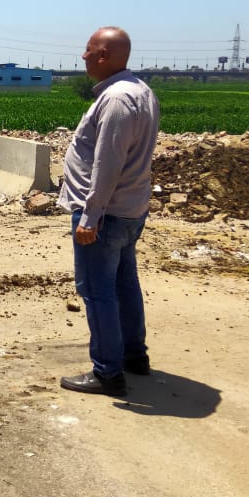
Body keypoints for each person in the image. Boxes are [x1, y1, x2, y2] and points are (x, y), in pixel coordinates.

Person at [58, 27, 161, 397]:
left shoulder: (116, 99)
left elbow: (108, 164)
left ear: (103, 55)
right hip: (130, 210)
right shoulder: (141, 91)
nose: (83, 56)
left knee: (97, 291)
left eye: (88, 50)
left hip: (106, 214)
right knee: (124, 283)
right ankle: (133, 355)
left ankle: (107, 372)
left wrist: (90, 217)